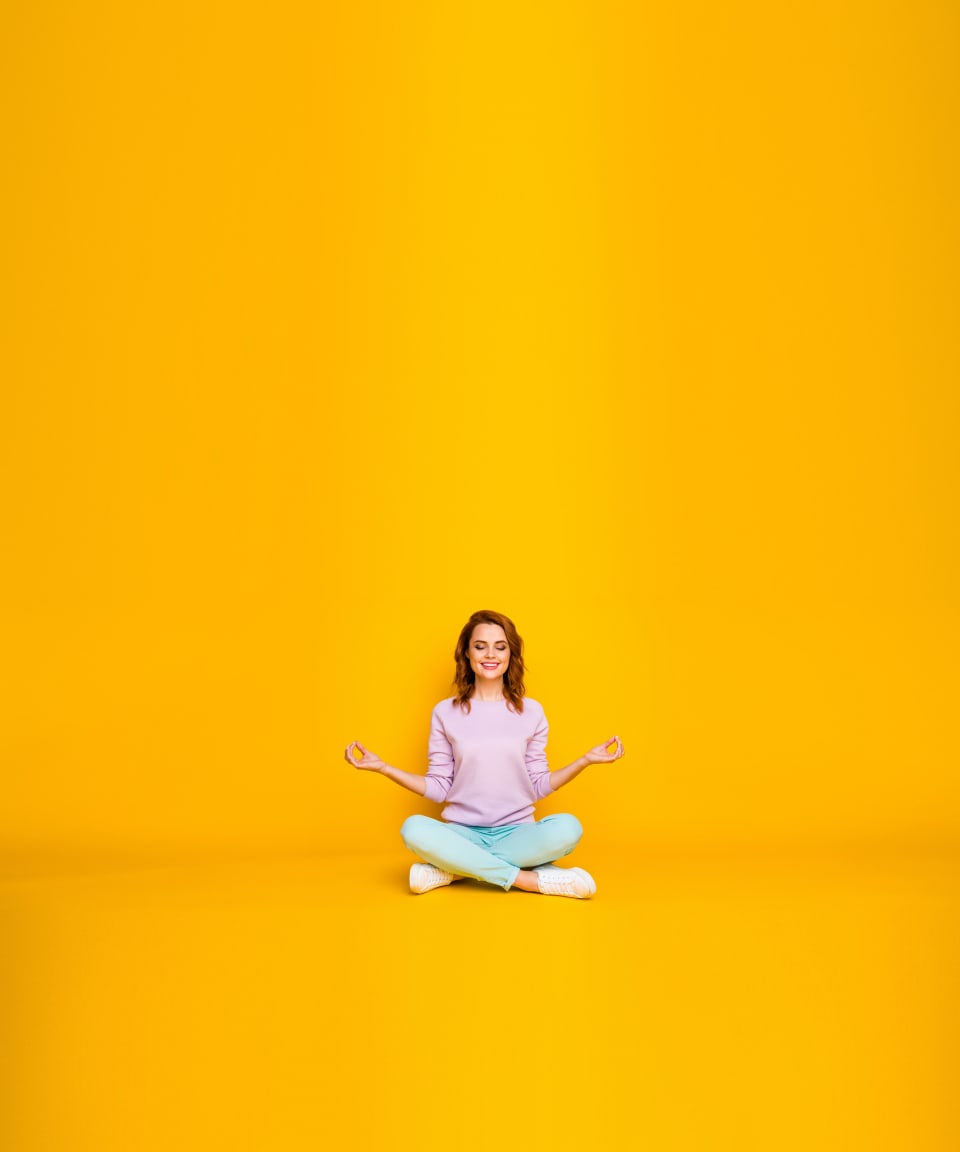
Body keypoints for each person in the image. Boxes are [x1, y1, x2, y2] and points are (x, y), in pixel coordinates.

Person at [344, 609, 624, 899]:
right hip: (462, 833)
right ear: (466, 653)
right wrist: (383, 768)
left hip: (518, 833)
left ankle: (453, 868)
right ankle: (528, 880)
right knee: (413, 828)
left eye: (500, 647)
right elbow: (440, 787)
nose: (490, 654)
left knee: (568, 828)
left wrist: (585, 760)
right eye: (480, 646)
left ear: (510, 655)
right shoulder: (444, 712)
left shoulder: (532, 712)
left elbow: (538, 784)